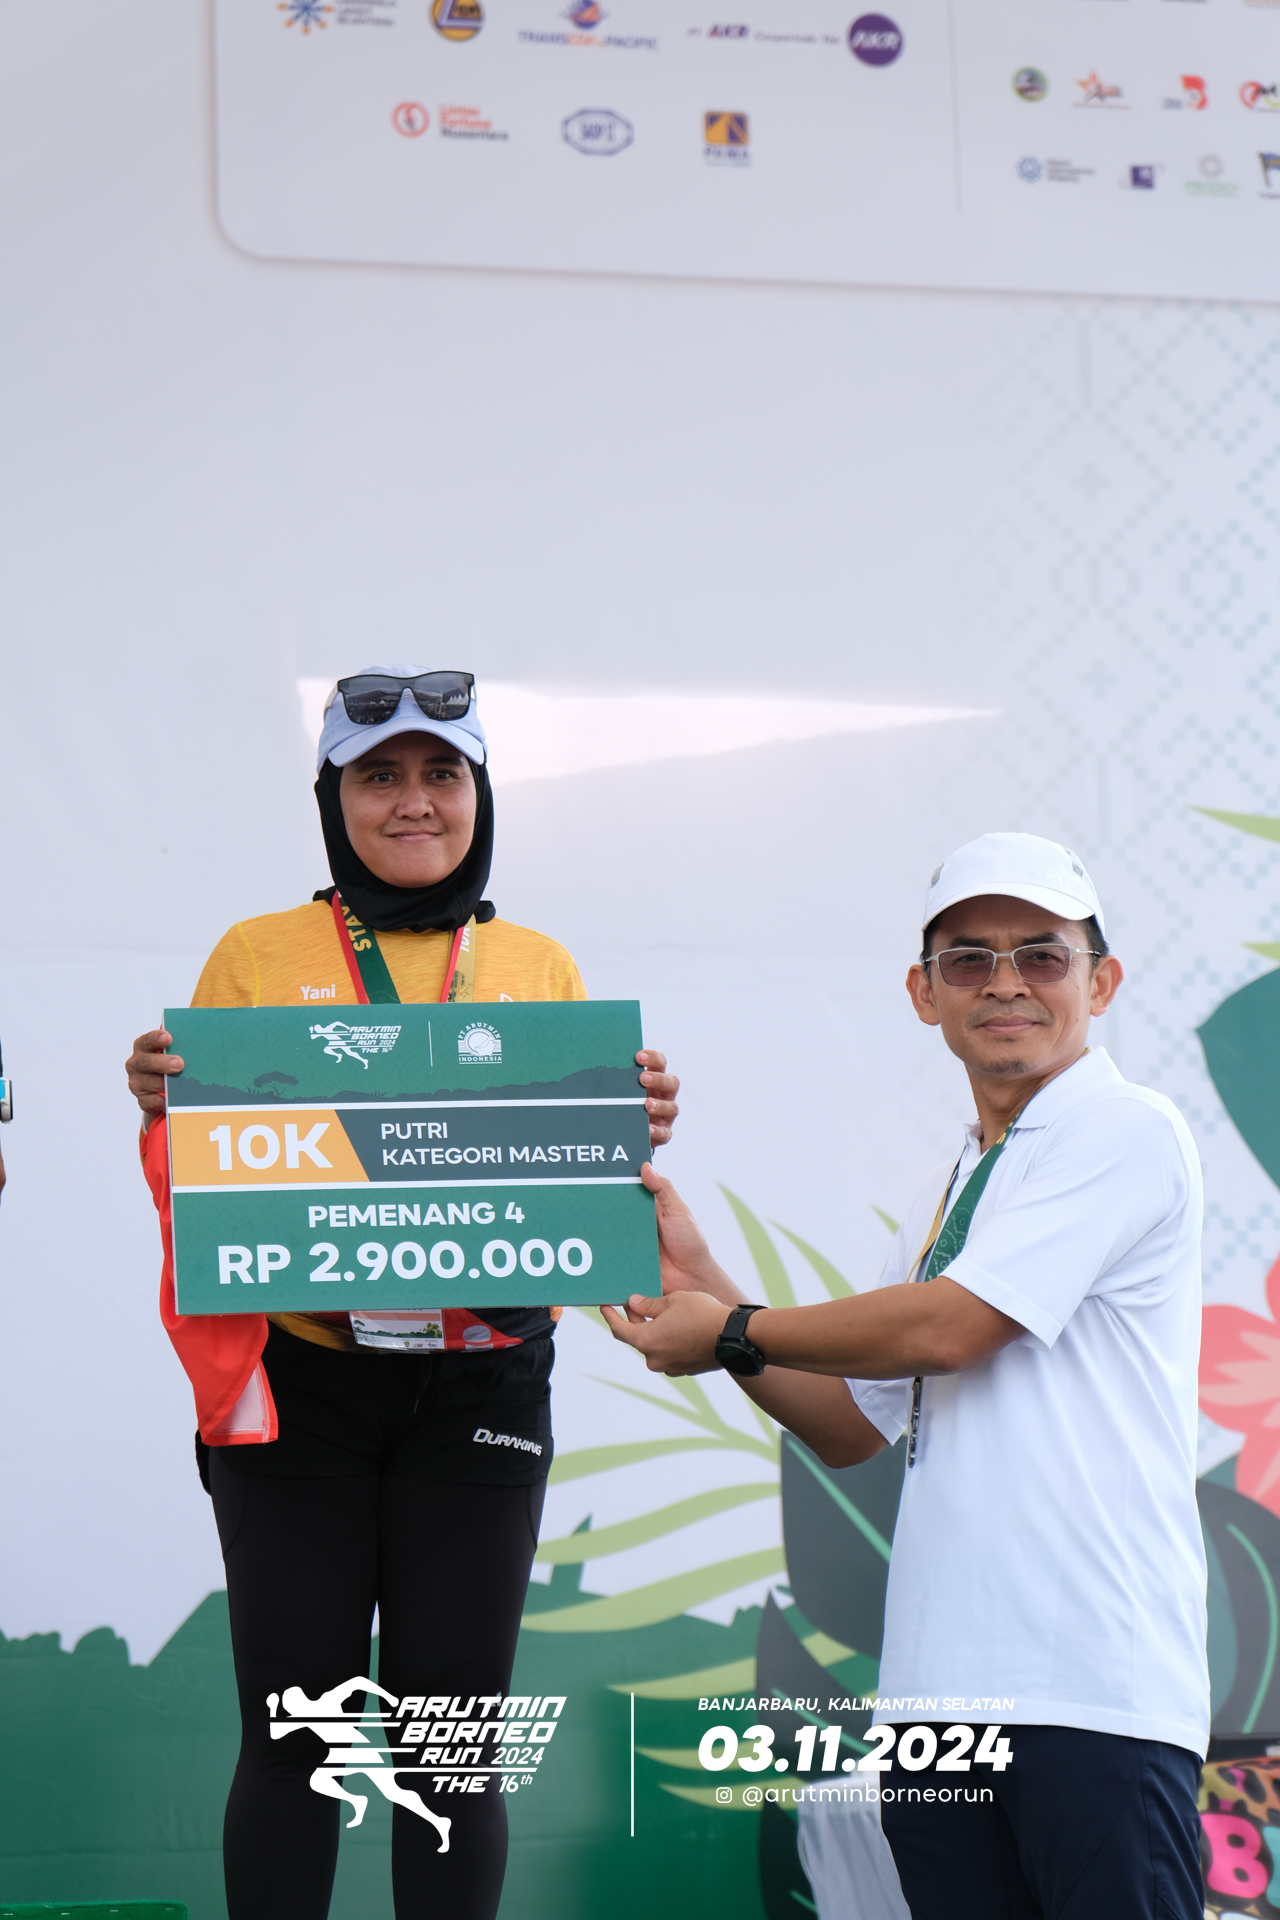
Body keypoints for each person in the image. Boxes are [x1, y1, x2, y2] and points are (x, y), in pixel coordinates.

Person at [125, 665, 680, 1920]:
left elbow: (574, 1173)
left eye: (441, 772)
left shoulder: (538, 962)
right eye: (378, 775)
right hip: (300, 1389)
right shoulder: (254, 954)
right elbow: (205, 1168)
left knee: (452, 1749)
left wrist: (628, 1121)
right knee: (297, 1736)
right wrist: (162, 1095)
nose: (413, 801)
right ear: (333, 798)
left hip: (482, 1385)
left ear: (480, 793)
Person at [605, 832, 1208, 1920]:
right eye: (968, 959)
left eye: (1042, 954)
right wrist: (705, 1284)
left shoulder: (1126, 1127)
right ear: (924, 994)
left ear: (1102, 981)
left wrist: (729, 1327)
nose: (1005, 983)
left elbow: (952, 1329)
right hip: (937, 1706)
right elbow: (849, 1426)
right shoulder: (955, 1182)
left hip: (1091, 1693)